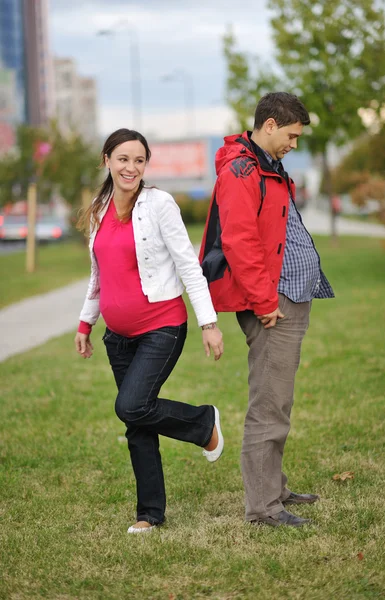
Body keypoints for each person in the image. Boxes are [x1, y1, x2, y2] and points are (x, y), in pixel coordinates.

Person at [75, 128, 224, 534]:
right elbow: (98, 275)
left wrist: (208, 322)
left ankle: (203, 423)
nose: (131, 167)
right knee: (137, 423)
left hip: (162, 327)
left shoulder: (158, 204)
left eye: (139, 160)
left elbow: (188, 264)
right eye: (123, 158)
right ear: (107, 160)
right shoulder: (100, 206)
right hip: (117, 336)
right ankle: (149, 514)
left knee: (132, 405)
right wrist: (86, 321)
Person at [200, 92, 334, 528]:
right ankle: (263, 508)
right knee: (269, 403)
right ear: (271, 124)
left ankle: (273, 487)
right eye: (292, 136)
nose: (295, 144)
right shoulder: (241, 169)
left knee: (280, 399)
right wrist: (264, 301)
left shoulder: (265, 163)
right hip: (271, 301)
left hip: (287, 293)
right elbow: (239, 241)